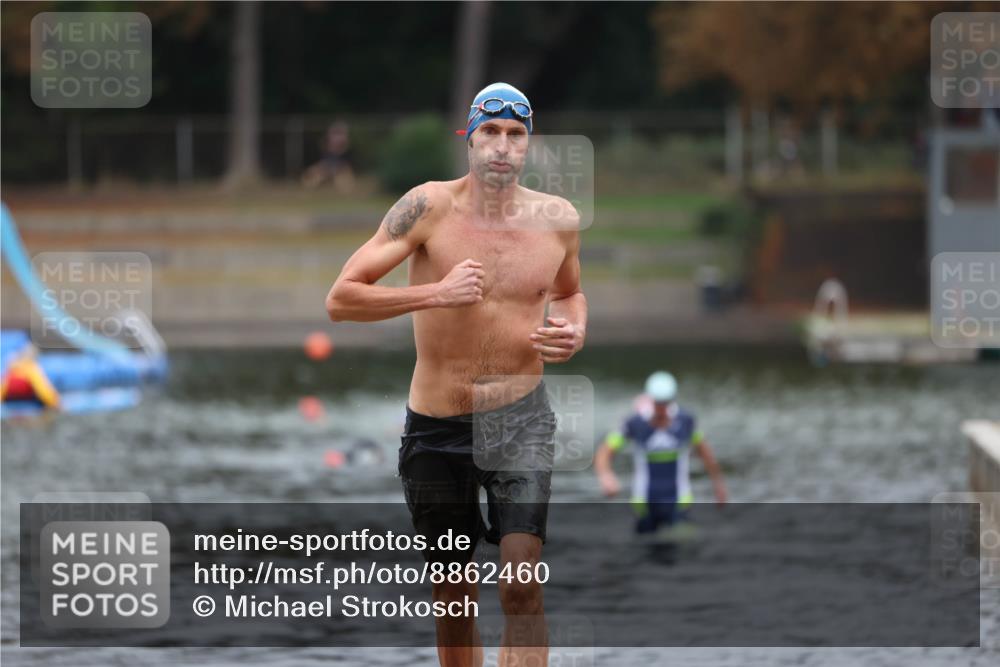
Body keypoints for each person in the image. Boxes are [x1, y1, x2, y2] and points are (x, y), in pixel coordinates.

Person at [325, 82, 586, 667]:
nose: (502, 146)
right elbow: (341, 299)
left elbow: (570, 293)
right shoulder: (427, 207)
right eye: (490, 132)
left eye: (515, 134)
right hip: (436, 428)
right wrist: (435, 293)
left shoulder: (559, 219)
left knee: (521, 584)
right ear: (468, 137)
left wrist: (574, 328)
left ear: (528, 143)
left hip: (520, 423)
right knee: (453, 600)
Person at [594, 371, 727, 535]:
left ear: (672, 400)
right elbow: (604, 451)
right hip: (644, 503)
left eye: (666, 402)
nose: (662, 408)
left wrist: (718, 485)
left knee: (680, 543)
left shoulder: (686, 421)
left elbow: (705, 452)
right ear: (650, 399)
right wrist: (606, 476)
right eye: (658, 403)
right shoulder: (635, 423)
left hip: (679, 501)